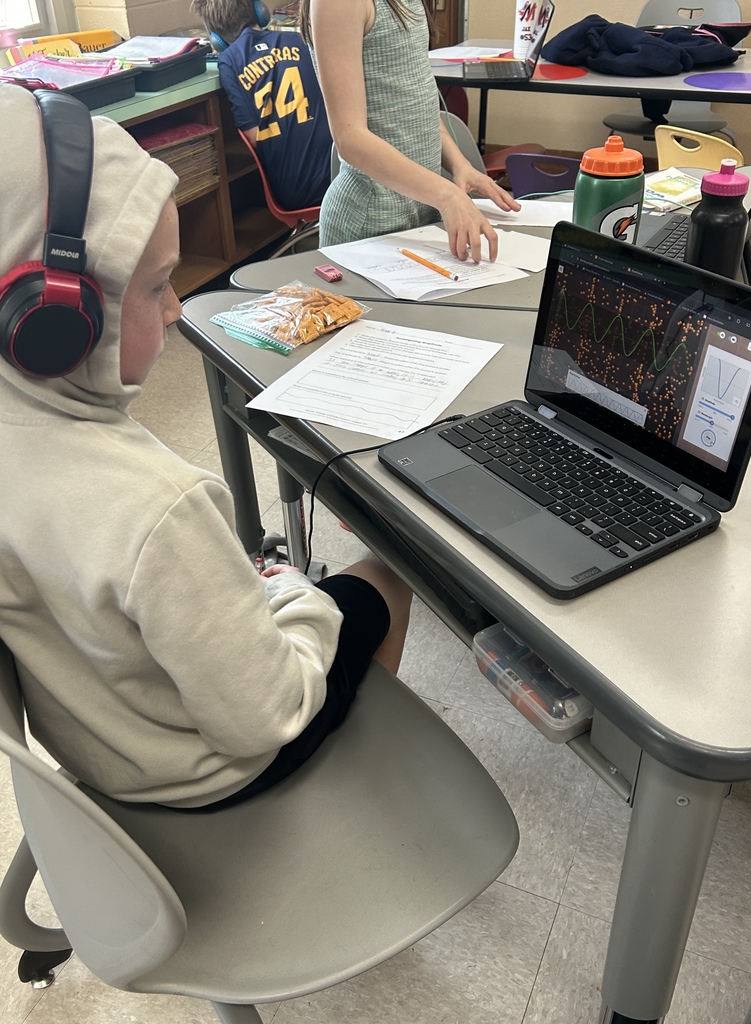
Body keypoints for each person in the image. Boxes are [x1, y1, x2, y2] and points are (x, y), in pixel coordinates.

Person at [0, 84, 411, 810]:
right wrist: (292, 593)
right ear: (54, 320)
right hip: (203, 774)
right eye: (158, 285)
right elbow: (264, 715)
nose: (178, 307)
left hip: (102, 754)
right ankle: (354, 790)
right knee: (384, 579)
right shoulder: (159, 508)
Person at [302, 0, 521, 262]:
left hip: (421, 204)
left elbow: (413, 105)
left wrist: (460, 165)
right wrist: (448, 196)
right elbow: (350, 138)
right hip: (372, 219)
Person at [193, 0, 333, 210]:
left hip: (294, 191)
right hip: (340, 178)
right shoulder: (298, 40)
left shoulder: (229, 62)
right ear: (260, 11)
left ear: (215, 38)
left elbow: (253, 138)